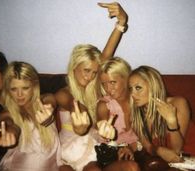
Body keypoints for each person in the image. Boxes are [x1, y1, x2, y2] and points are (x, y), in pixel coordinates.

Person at [56, 2, 139, 171]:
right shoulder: (63, 93)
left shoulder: (94, 86)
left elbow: (107, 55)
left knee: (117, 167)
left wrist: (121, 22)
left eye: (94, 72)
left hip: (96, 146)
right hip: (72, 148)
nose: (91, 76)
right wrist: (82, 123)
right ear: (74, 67)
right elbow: (74, 106)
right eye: (86, 70)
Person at [0, 61, 61, 171]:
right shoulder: (7, 113)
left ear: (34, 86)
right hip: (21, 165)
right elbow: (7, 123)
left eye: (25, 88)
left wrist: (49, 112)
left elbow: (50, 103)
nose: (19, 94)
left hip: (51, 164)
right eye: (14, 89)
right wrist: (9, 132)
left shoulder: (45, 99)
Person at [129, 66, 190, 165]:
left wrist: (172, 122)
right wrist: (158, 150)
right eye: (130, 89)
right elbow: (148, 147)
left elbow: (177, 149)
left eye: (138, 88)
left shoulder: (178, 103)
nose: (132, 94)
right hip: (167, 164)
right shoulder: (136, 115)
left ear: (153, 86)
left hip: (189, 158)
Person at [96, 57, 141, 169]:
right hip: (113, 154)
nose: (108, 88)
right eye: (104, 84)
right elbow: (104, 141)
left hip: (138, 150)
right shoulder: (104, 106)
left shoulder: (137, 99)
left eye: (112, 82)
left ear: (126, 79)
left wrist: (131, 147)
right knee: (131, 167)